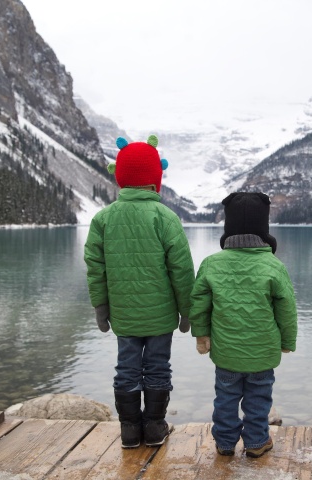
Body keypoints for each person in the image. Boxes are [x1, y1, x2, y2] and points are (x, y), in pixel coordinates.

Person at [84, 135, 194, 448]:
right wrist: (187, 309)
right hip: (160, 317)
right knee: (158, 368)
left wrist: (100, 306)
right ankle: (156, 428)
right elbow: (182, 270)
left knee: (127, 369)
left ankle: (130, 431)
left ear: (121, 178)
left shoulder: (103, 219)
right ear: (155, 181)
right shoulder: (166, 218)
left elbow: (96, 267)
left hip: (124, 316)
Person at [189, 192, 298, 458]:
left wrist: (201, 335)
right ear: (264, 229)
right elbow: (287, 310)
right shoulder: (274, 266)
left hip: (226, 353)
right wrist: (287, 341)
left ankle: (225, 443)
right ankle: (257, 442)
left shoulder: (211, 264)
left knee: (225, 399)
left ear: (229, 228)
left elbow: (199, 304)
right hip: (262, 353)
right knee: (258, 400)